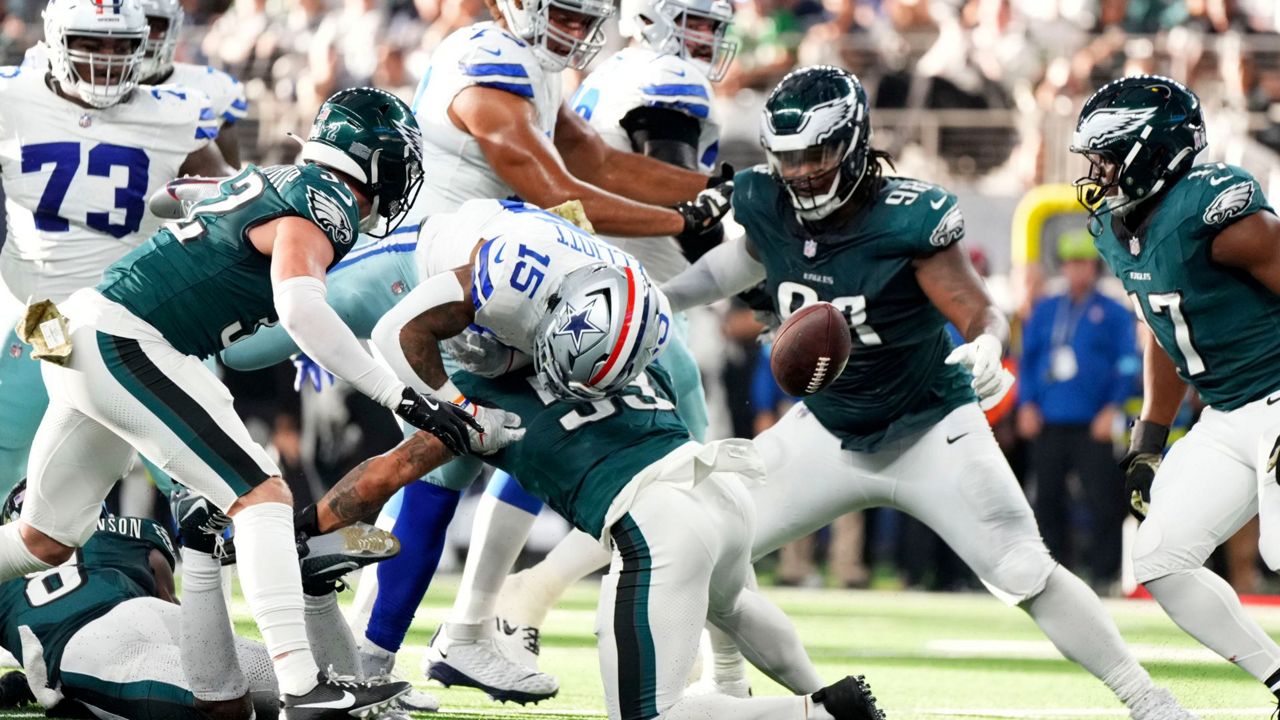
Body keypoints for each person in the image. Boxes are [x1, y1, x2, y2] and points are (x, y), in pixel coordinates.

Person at [651, 65, 1193, 719]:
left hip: (929, 426)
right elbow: (736, 264)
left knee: (1023, 569)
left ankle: (1147, 698)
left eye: (817, 155)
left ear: (853, 143)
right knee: (711, 539)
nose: (801, 173)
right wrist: (662, 297)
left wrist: (989, 345)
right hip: (827, 426)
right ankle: (730, 687)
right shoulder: (766, 200)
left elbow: (975, 307)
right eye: (788, 158)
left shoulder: (907, 215)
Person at [0, 87, 482, 718]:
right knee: (262, 498)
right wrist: (403, 396)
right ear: (374, 163)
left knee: (42, 543)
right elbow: (301, 308)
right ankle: (304, 686)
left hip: (82, 334)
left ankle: (302, 679)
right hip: (127, 338)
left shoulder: (279, 181)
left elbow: (193, 217)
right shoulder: (326, 196)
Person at [340, 0, 736, 700]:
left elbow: (594, 160)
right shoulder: (486, 61)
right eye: (562, 14)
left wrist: (712, 190)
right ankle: (361, 663)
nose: (575, 33)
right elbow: (556, 194)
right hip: (438, 277)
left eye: (586, 20)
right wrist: (681, 215)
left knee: (485, 453)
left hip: (499, 281)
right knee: (436, 466)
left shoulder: (534, 67)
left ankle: (440, 640)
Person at [484, 0, 739, 664]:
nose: (708, 37)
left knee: (538, 456)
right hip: (636, 307)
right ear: (653, 16)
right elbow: (679, 205)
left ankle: (492, 610)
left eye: (714, 25)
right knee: (682, 473)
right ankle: (532, 594)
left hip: (591, 291)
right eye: (697, 21)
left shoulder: (610, 75)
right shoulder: (664, 82)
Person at [1070, 74, 1280, 706]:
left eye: (1106, 155)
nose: (1096, 171)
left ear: (1149, 151)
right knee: (1160, 558)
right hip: (1224, 414)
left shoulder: (1217, 208)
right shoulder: (1116, 228)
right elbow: (1161, 328)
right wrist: (1150, 438)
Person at [0, 0, 233, 497]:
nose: (107, 58)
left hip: (139, 319)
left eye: (121, 45)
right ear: (57, 41)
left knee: (206, 485)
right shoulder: (11, 99)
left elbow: (233, 206)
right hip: (41, 312)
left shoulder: (175, 113)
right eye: (90, 42)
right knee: (7, 460)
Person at [0, 484, 398, 720]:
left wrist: (17, 683)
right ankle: (316, 593)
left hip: (84, 651)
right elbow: (174, 606)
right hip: (148, 612)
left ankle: (200, 543)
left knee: (225, 709)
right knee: (315, 694)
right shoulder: (128, 533)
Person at [1017, 229, 1137, 588]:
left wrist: (1112, 408)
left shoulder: (1114, 312)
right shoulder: (1046, 310)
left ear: (1094, 268)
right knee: (1047, 499)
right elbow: (1028, 359)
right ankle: (1055, 574)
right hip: (1049, 418)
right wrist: (1026, 404)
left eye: (1083, 263)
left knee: (1102, 499)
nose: (1076, 271)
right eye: (1070, 264)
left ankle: (1105, 574)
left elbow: (1129, 363)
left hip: (1093, 421)